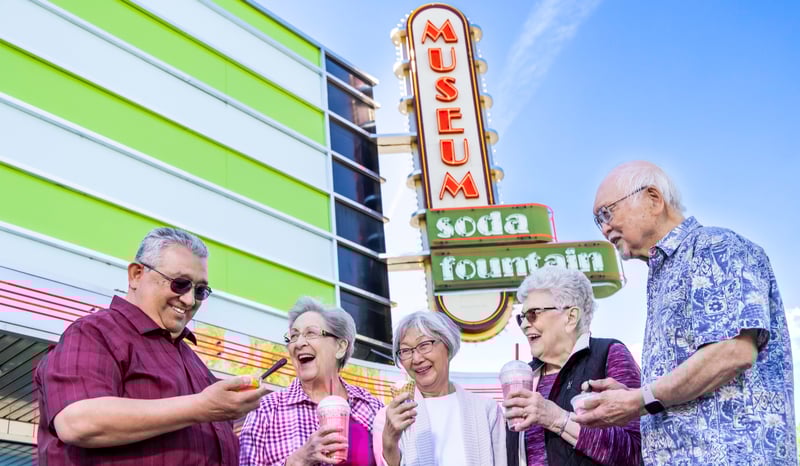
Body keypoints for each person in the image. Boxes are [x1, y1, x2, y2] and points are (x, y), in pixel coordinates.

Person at [574, 161, 796, 464]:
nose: (604, 228)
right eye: (597, 220)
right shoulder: (664, 273)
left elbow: (733, 352)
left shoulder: (715, 247)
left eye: (607, 213)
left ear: (653, 199)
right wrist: (634, 395)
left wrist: (638, 399)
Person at [34, 227, 268, 465]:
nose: (189, 300)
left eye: (200, 291)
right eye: (179, 283)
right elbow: (78, 423)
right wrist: (202, 406)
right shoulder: (95, 332)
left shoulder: (195, 365)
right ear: (136, 275)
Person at [503, 265, 642, 466]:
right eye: (521, 317)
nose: (524, 325)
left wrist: (555, 418)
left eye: (533, 313)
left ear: (571, 317)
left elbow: (637, 451)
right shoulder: (526, 376)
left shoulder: (608, 354)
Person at [239, 296, 383, 465]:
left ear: (340, 347)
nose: (299, 343)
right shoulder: (265, 410)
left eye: (311, 333)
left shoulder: (371, 407)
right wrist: (297, 461)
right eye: (293, 336)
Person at [373, 311, 507, 466]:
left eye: (424, 345)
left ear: (447, 346)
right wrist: (390, 441)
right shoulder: (388, 418)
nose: (416, 359)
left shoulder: (486, 410)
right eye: (406, 351)